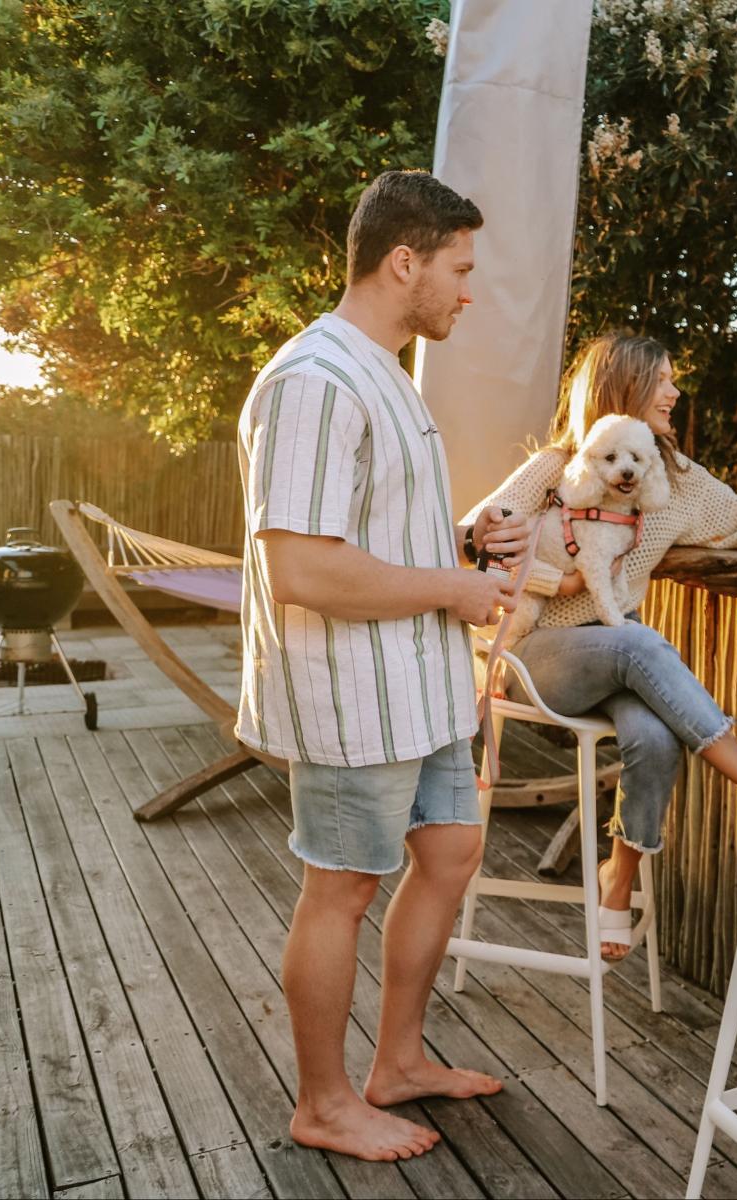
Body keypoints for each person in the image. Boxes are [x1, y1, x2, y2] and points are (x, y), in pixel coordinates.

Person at [236, 170, 527, 1162]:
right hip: (354, 696)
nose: (469, 291)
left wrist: (462, 542)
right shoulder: (315, 381)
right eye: (460, 269)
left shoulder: (385, 373)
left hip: (422, 688)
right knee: (343, 889)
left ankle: (396, 1062)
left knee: (448, 855)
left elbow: (367, 530)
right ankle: (322, 1104)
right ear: (405, 262)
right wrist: (453, 588)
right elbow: (304, 568)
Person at [473, 332, 737, 961]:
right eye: (662, 381)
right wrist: (560, 581)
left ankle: (616, 881)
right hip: (536, 651)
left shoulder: (674, 480)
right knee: (640, 644)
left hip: (617, 652)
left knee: (654, 736)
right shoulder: (555, 467)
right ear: (622, 388)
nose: (675, 392)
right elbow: (481, 542)